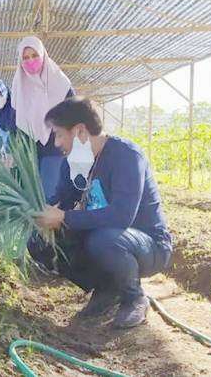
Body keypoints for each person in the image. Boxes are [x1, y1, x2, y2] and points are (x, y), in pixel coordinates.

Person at [30, 97, 172, 328]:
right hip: (106, 237)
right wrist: (33, 209)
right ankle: (107, 289)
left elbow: (121, 215)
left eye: (58, 134)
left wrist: (65, 217)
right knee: (39, 241)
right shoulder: (73, 162)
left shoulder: (126, 156)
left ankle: (133, 297)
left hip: (148, 245)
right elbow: (60, 200)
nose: (56, 143)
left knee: (102, 239)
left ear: (80, 131)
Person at [11, 36, 74, 202]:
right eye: (25, 57)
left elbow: (75, 113)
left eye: (34, 55)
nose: (30, 60)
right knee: (30, 201)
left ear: (43, 55)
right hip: (28, 152)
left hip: (55, 149)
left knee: (50, 198)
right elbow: (13, 121)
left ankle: (52, 228)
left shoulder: (60, 82)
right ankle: (34, 229)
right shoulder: (18, 85)